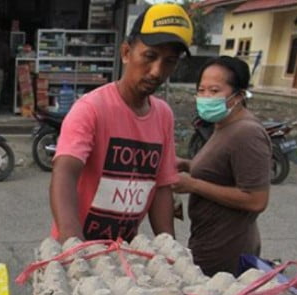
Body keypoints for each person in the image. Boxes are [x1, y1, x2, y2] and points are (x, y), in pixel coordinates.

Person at [49, 3, 192, 243]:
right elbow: (65, 172)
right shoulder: (92, 108)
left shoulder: (163, 115)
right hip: (78, 244)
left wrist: (169, 248)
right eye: (149, 56)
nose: (157, 71)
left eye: (169, 61)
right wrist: (73, 243)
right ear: (126, 53)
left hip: (122, 249)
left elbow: (161, 186)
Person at [172, 56, 270, 276]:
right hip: (207, 240)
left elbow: (256, 199)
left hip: (227, 249)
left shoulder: (247, 133)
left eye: (215, 91)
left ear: (239, 95)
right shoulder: (223, 125)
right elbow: (222, 171)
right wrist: (187, 165)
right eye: (202, 90)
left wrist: (194, 185)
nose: (206, 97)